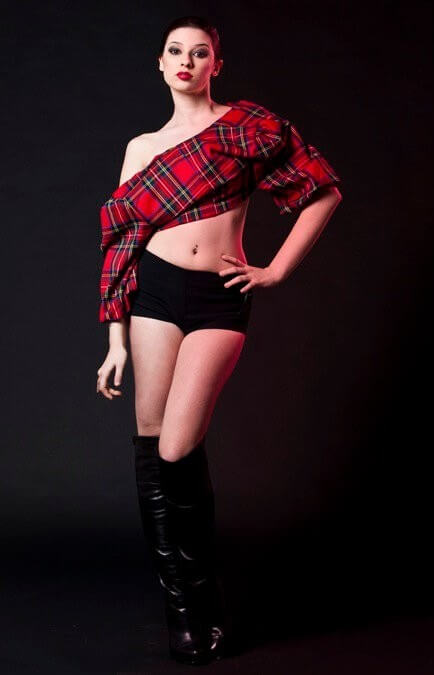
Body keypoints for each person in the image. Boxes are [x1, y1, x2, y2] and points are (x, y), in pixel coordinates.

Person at [96, 14, 343, 666]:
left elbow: (323, 191)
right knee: (152, 444)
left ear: (216, 65)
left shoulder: (248, 128)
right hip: (152, 295)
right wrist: (116, 339)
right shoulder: (142, 147)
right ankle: (187, 610)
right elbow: (121, 246)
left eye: (200, 52)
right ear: (160, 63)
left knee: (177, 446)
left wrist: (276, 269)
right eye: (175, 51)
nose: (187, 60)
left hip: (218, 296)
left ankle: (202, 594)